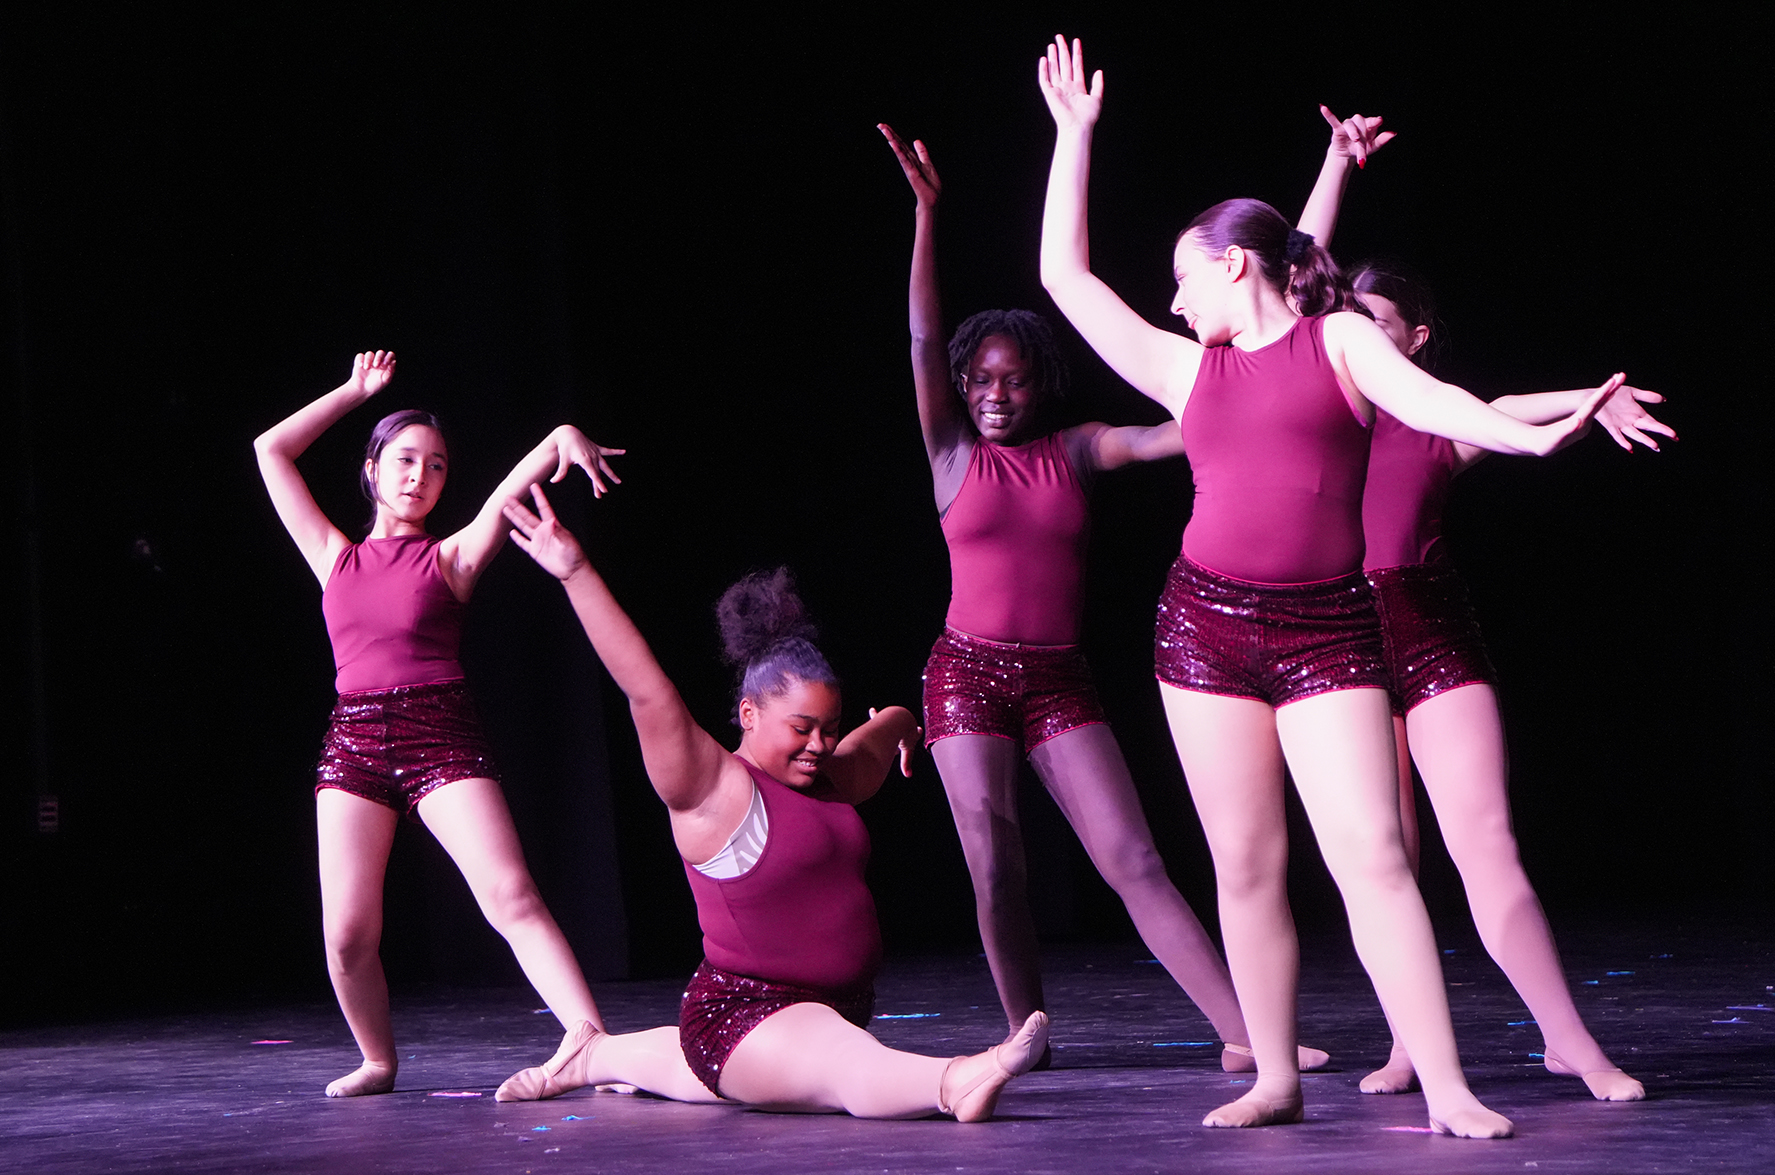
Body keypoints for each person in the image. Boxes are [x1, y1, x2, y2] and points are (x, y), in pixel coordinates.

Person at [1036, 37, 1623, 1137]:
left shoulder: (1341, 340)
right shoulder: (1184, 370)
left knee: (1374, 858)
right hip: (1202, 630)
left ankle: (1446, 1085)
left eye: (1181, 276)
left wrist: (1529, 438)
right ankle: (1273, 1075)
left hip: (1328, 632)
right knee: (1245, 863)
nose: (1170, 301)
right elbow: (1063, 281)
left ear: (1232, 265)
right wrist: (1072, 137)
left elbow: (1436, 401)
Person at [877, 123, 1328, 1076]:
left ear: (1039, 383)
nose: (995, 393)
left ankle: (1250, 1033)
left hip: (1057, 679)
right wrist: (925, 215)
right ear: (962, 385)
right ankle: (1024, 1031)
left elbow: (1179, 428)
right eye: (980, 379)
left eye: (1013, 379)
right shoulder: (951, 451)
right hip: (964, 675)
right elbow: (919, 336)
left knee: (1134, 858)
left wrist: (1263, 363)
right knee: (995, 865)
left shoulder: (1077, 449)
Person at [493, 484, 1048, 1120]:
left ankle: (593, 1056)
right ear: (749, 714)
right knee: (841, 1063)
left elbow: (883, 728)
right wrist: (576, 573)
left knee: (747, 1062)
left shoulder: (831, 773)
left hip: (822, 1015)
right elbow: (647, 690)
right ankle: (956, 1083)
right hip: (743, 1016)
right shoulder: (711, 789)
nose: (819, 744)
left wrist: (902, 726)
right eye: (801, 728)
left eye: (829, 727)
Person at [1295, 155, 1668, 1098]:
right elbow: (1295, 268)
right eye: (1342, 319)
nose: (1351, 333)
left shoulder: (1434, 424)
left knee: (1485, 845)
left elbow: (1501, 411)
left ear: (1413, 340)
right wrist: (1335, 166)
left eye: (1373, 322)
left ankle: (1570, 1042)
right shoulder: (1314, 413)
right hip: (1336, 644)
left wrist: (1590, 398)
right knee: (1381, 859)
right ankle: (1408, 1044)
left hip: (1427, 631)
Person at [252, 351, 624, 1097]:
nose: (419, 475)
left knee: (510, 895)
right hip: (353, 742)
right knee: (346, 934)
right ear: (372, 470)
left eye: (436, 466)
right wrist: (353, 391)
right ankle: (378, 1059)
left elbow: (511, 490)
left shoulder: (452, 556)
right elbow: (271, 450)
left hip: (439, 735)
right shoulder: (333, 556)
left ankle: (592, 1040)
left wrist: (560, 435)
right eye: (404, 460)